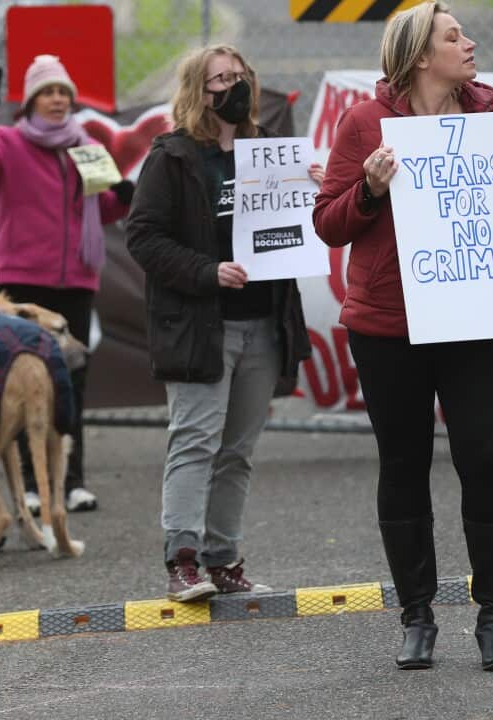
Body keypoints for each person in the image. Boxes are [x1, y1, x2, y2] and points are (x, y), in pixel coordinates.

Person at [313, 1, 493, 672]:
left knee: (483, 458)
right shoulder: (365, 122)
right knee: (403, 466)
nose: (471, 43)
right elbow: (329, 223)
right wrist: (368, 190)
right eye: (456, 36)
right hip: (387, 326)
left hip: (474, 320)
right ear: (422, 55)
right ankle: (416, 615)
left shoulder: (487, 120)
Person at [126, 44, 313, 603]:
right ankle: (183, 560)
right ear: (197, 92)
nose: (236, 88)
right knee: (195, 442)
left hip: (263, 325)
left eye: (241, 77)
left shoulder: (269, 153)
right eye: (221, 80)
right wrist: (207, 272)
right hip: (202, 327)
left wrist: (314, 188)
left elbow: (299, 230)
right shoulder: (173, 157)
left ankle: (223, 557)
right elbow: (143, 236)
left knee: (238, 451)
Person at [0, 54, 136, 515]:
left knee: (70, 379)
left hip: (77, 279)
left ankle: (70, 481)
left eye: (63, 93)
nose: (57, 100)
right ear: (32, 100)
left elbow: (102, 211)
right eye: (48, 92)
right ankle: (32, 485)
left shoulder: (87, 147)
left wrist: (122, 198)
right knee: (22, 382)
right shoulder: (8, 141)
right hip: (23, 280)